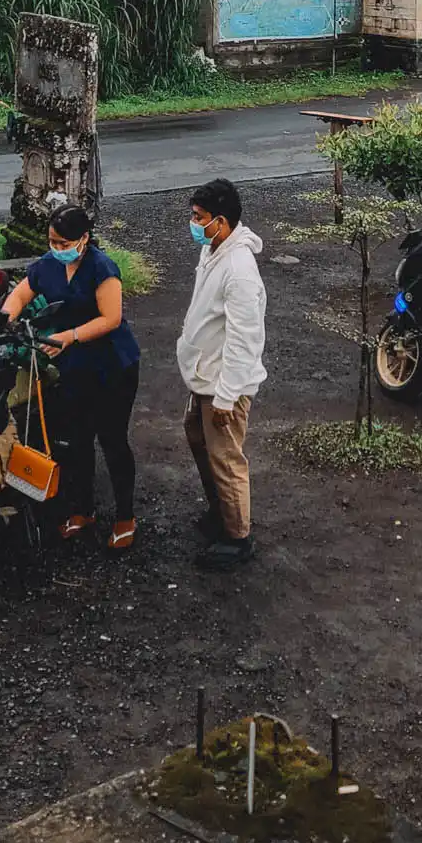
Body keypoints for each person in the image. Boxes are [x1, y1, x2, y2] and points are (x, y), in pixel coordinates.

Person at [2, 203, 141, 550]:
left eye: (65, 243)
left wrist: (68, 337)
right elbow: (20, 294)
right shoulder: (47, 266)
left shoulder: (102, 268)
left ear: (84, 239)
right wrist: (3, 318)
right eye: (53, 241)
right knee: (76, 440)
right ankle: (83, 510)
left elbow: (110, 318)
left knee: (112, 440)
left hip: (113, 366)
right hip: (74, 367)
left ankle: (125, 517)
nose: (58, 248)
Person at [176, 178, 267, 570]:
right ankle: (222, 512)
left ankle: (237, 537)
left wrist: (227, 398)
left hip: (223, 385)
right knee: (200, 441)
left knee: (227, 458)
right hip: (205, 377)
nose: (193, 223)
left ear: (222, 221)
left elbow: (245, 340)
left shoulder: (240, 270)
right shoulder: (215, 248)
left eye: (199, 218)